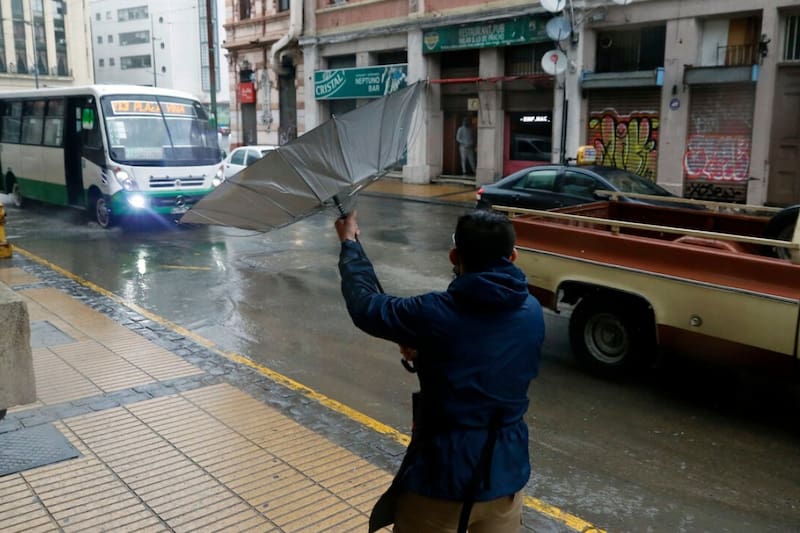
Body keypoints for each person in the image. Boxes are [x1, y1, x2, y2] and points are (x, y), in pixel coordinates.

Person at [335, 209, 545, 533]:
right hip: (506, 480)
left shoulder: (433, 314)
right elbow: (487, 358)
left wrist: (350, 242)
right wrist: (428, 351)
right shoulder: (531, 310)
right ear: (513, 256)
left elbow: (365, 305)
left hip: (441, 481)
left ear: (454, 256)